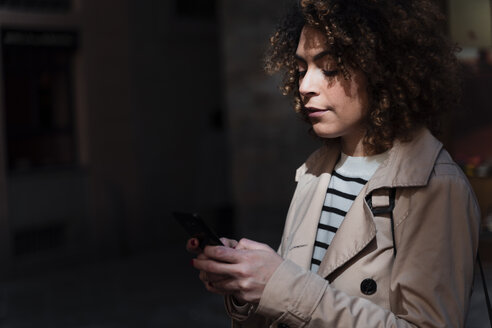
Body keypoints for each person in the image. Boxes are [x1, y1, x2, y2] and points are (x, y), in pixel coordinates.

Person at [188, 0, 481, 326]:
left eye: (329, 68)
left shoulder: (436, 186)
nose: (304, 86)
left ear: (382, 68)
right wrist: (249, 284)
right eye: (300, 70)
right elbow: (291, 309)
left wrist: (280, 284)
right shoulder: (314, 173)